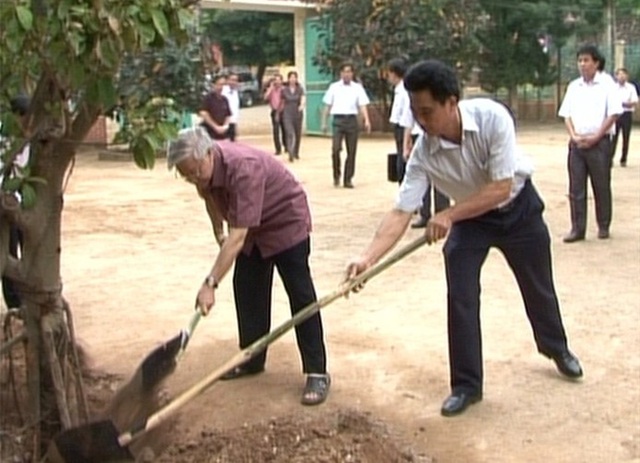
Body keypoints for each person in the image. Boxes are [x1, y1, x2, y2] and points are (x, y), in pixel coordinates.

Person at [344, 59, 583, 417]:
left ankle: (556, 347)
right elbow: (400, 212)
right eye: (415, 112)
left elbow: (501, 187)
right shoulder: (423, 153)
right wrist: (367, 258)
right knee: (461, 296)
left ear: (451, 102)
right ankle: (466, 385)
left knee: (538, 285)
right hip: (472, 220)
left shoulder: (492, 118)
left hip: (516, 208)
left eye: (427, 111)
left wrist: (449, 214)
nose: (421, 121)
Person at [166, 127, 331, 406]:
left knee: (301, 296)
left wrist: (210, 284)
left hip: (285, 223)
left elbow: (239, 235)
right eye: (187, 176)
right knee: (247, 289)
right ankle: (252, 359)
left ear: (208, 154)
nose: (194, 178)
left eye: (195, 171)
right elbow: (208, 197)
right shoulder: (201, 168)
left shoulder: (243, 168)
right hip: (250, 229)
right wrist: (218, 233)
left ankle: (317, 371)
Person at [558, 44, 623, 243]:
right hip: (577, 143)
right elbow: (566, 114)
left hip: (599, 142)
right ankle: (578, 229)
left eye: (586, 60)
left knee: (601, 185)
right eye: (580, 60)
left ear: (596, 63)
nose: (582, 64)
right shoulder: (574, 86)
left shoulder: (607, 85)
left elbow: (613, 113)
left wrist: (596, 136)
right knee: (576, 188)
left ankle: (603, 225)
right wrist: (574, 136)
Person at [399, 100, 450, 228]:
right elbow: (408, 122)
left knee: (442, 176)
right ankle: (424, 215)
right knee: (422, 179)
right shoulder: (411, 98)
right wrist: (406, 145)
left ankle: (443, 213)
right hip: (418, 137)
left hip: (439, 135)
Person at [1, 95, 31, 310]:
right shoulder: (5, 137)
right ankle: (15, 304)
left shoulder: (32, 138)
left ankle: (31, 296)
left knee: (30, 246)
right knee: (8, 250)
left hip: (24, 200)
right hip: (5, 201)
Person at [321, 63, 371, 188]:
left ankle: (348, 178)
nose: (347, 74)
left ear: (352, 74)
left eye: (349, 72)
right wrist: (324, 122)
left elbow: (362, 105)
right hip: (338, 120)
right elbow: (327, 105)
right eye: (344, 72)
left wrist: (366, 120)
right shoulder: (334, 87)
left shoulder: (357, 88)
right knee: (335, 149)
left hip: (351, 120)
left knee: (352, 151)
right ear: (340, 73)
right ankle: (336, 174)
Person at [387, 58, 410, 184]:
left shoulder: (404, 90)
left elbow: (406, 113)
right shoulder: (398, 89)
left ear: (394, 73)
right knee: (400, 156)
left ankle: (403, 184)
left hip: (403, 127)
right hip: (398, 127)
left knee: (403, 158)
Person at [611, 68, 638, 167]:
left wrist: (623, 104)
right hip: (616, 114)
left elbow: (634, 102)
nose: (621, 77)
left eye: (624, 74)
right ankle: (610, 158)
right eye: (619, 74)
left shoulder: (631, 88)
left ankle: (623, 159)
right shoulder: (612, 88)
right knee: (613, 137)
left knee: (626, 138)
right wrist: (624, 103)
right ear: (616, 76)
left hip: (627, 114)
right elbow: (612, 102)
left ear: (627, 76)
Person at [281, 71, 305, 162]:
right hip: (287, 113)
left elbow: (303, 98)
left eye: (294, 77)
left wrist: (301, 106)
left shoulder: (300, 89)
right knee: (290, 133)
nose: (292, 79)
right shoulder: (284, 90)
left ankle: (296, 152)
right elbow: (281, 102)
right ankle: (290, 152)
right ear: (288, 79)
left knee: (297, 133)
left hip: (297, 112)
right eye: (291, 77)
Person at [199, 74, 231, 141]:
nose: (221, 87)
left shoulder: (225, 99)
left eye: (223, 85)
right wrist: (215, 127)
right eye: (219, 84)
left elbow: (228, 115)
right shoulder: (208, 98)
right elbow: (203, 113)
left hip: (222, 134)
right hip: (210, 134)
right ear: (214, 85)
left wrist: (225, 126)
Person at [264, 74, 286, 156]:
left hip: (283, 111)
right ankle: (278, 148)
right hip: (274, 110)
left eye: (279, 80)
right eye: (275, 80)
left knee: (285, 129)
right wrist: (270, 88)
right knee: (276, 131)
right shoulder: (271, 90)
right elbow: (265, 98)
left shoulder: (284, 89)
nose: (277, 82)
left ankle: (286, 144)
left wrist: (280, 110)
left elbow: (284, 100)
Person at [222, 72, 241, 142]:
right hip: (224, 123)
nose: (234, 82)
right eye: (232, 80)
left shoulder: (235, 92)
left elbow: (235, 109)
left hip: (232, 123)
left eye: (236, 80)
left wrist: (235, 125)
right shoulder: (223, 92)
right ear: (227, 81)